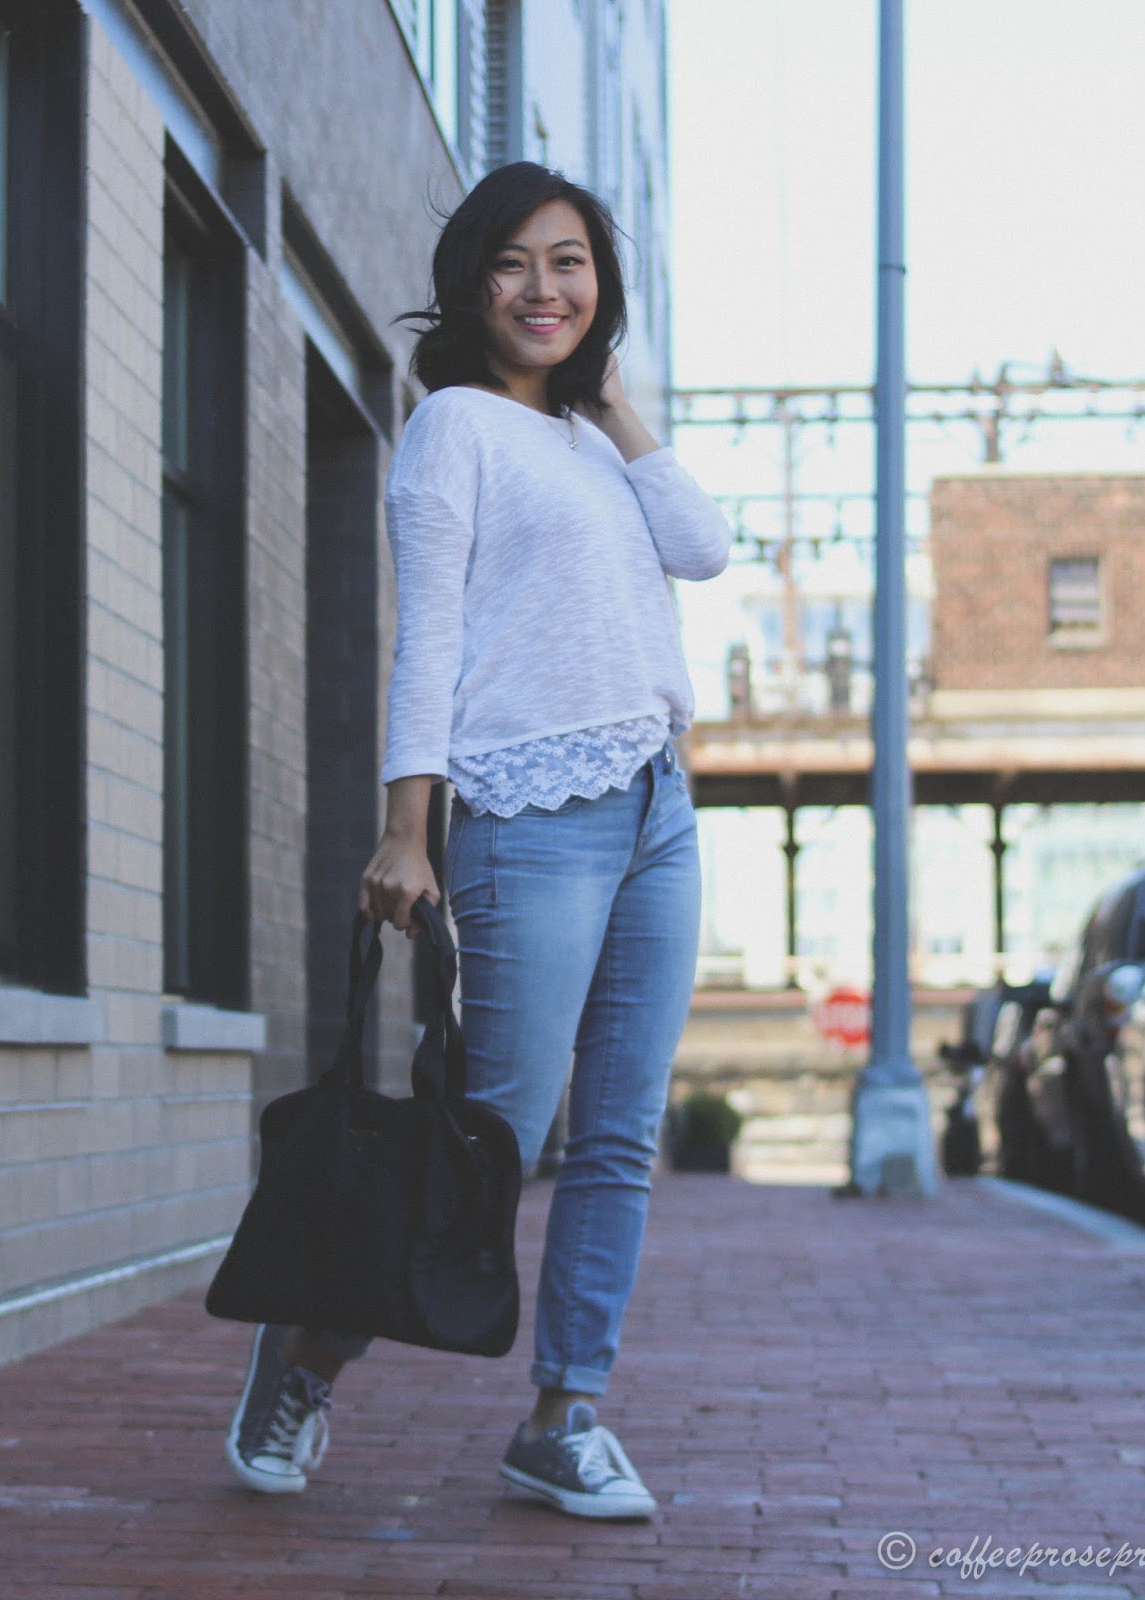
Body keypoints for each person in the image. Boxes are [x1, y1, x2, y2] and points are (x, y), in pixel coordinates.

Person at [225, 162, 732, 1520]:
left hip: (657, 809)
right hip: (527, 811)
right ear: (471, 283)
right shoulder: (451, 427)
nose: (544, 288)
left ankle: (564, 1417)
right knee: (488, 1136)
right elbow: (430, 636)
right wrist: (409, 829)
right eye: (514, 262)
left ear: (600, 285)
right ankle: (309, 1352)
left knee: (618, 1137)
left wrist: (612, 401)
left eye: (570, 262)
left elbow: (704, 548)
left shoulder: (594, 442)